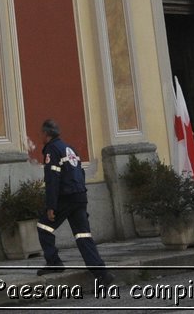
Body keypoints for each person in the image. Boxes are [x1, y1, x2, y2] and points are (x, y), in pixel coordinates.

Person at [33, 119, 113, 286]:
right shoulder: (69, 148)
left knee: (43, 227)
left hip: (66, 197)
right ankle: (102, 274)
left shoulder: (52, 150)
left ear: (46, 134)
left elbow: (52, 180)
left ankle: (54, 263)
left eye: (41, 133)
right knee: (83, 235)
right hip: (79, 196)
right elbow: (81, 173)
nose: (40, 136)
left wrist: (51, 206)